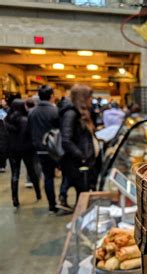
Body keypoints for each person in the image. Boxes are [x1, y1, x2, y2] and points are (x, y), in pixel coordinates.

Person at [60, 84, 100, 203]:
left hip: (87, 161)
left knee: (85, 192)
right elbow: (66, 140)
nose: (91, 100)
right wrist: (82, 156)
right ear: (82, 98)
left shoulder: (83, 112)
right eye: (89, 97)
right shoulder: (71, 114)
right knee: (82, 195)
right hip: (79, 163)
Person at [27, 85, 61, 213]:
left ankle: (52, 205)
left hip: (40, 149)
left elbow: (29, 130)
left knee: (48, 177)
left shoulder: (32, 112)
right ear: (52, 96)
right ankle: (62, 198)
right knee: (65, 173)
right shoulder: (54, 111)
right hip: (55, 149)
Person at [5, 99, 41, 207]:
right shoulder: (26, 120)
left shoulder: (6, 121)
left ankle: (15, 199)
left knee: (15, 174)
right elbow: (31, 135)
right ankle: (38, 193)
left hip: (12, 151)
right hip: (26, 150)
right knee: (32, 171)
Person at [0, 99, 9, 172]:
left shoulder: (8, 110)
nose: (1, 102)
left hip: (4, 132)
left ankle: (2, 165)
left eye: (3, 101)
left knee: (3, 149)